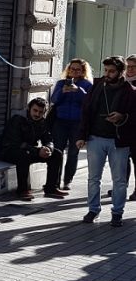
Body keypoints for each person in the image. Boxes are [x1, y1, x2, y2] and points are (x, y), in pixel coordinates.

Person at [77, 56, 135, 226]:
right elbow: (86, 112)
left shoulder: (130, 91)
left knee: (119, 180)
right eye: (106, 70)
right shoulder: (97, 86)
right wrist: (81, 136)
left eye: (111, 71)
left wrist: (122, 117)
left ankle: (117, 212)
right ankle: (93, 209)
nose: (107, 74)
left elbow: (134, 116)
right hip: (96, 138)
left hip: (119, 141)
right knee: (93, 178)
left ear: (120, 72)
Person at [1, 97, 67, 201]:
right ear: (29, 108)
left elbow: (48, 138)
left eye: (41, 112)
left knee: (57, 154)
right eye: (35, 110)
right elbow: (16, 143)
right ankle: (22, 190)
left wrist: (48, 148)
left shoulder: (43, 122)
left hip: (30, 150)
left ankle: (51, 188)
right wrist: (37, 151)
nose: (37, 114)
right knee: (23, 155)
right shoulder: (18, 119)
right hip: (9, 150)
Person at [50, 58, 93, 190]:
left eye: (77, 69)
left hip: (77, 123)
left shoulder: (87, 85)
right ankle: (54, 182)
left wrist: (78, 90)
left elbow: (89, 103)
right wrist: (62, 91)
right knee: (58, 151)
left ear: (83, 71)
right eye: (72, 69)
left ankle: (67, 180)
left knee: (73, 153)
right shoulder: (61, 83)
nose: (74, 72)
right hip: (60, 121)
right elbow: (54, 100)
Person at [125, 54, 136, 201]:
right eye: (128, 66)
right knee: (122, 159)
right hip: (122, 127)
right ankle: (121, 186)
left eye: (134, 66)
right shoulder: (121, 82)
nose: (130, 69)